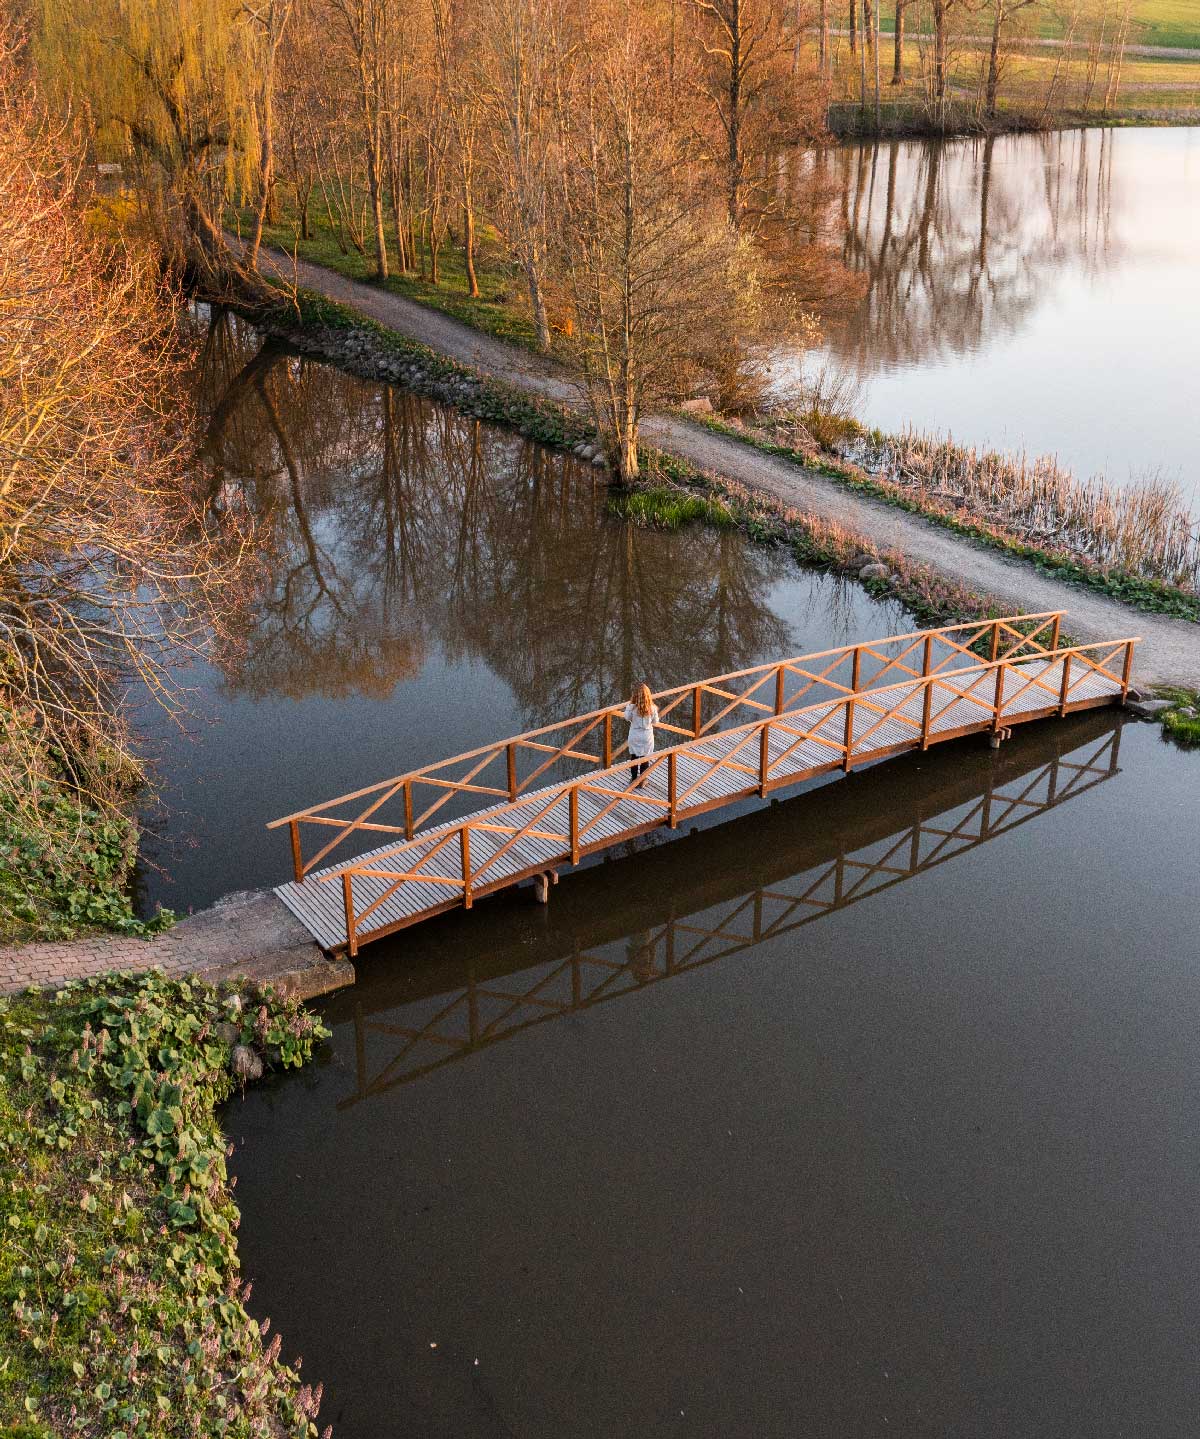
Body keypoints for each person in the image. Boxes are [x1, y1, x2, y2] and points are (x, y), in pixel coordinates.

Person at [623, 682, 659, 784]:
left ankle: (634, 779)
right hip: (646, 735)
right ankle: (642, 780)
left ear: (635, 695)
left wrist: (630, 706)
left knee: (634, 757)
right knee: (645, 758)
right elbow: (655, 722)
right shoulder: (652, 708)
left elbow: (626, 717)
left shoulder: (632, 707)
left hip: (635, 734)